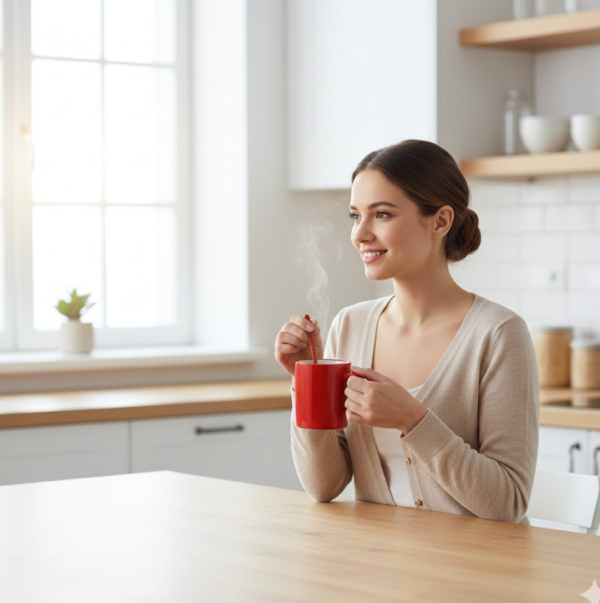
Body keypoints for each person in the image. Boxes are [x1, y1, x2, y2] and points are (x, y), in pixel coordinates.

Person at [274, 139, 540, 525]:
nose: (360, 234)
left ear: (441, 221)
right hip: (379, 567)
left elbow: (508, 502)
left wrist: (413, 420)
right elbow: (324, 486)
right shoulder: (351, 325)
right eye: (355, 216)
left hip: (474, 575)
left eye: (381, 214)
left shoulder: (498, 335)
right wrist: (306, 384)